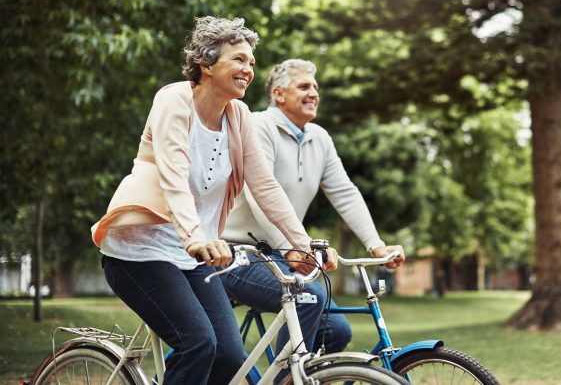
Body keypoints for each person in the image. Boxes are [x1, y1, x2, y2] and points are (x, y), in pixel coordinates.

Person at [90, 19, 336, 385]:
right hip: (140, 251)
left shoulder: (239, 117)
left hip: (196, 256)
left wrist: (303, 244)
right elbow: (173, 174)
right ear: (206, 64)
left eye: (251, 62)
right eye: (239, 59)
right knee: (198, 344)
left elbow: (265, 186)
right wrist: (193, 236)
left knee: (230, 356)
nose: (248, 70)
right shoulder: (173, 100)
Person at [221, 58, 406, 361]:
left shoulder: (319, 138)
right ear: (279, 94)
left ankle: (298, 376)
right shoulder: (258, 126)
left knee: (337, 330)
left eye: (316, 87)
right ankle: (286, 379)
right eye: (304, 86)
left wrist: (375, 244)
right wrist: (292, 246)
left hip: (282, 253)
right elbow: (259, 192)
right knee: (307, 299)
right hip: (235, 252)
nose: (313, 93)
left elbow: (345, 192)